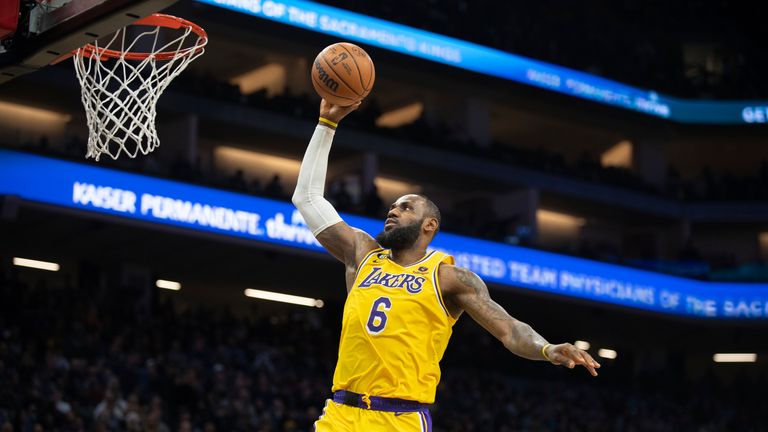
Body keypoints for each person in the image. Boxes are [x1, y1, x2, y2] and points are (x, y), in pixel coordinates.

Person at [292, 100, 600, 432]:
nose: (393, 212)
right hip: (340, 413)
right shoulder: (363, 254)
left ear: (430, 226)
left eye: (406, 208)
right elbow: (307, 198)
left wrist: (547, 348)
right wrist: (327, 123)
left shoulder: (449, 278)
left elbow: (509, 329)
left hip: (400, 419)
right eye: (392, 207)